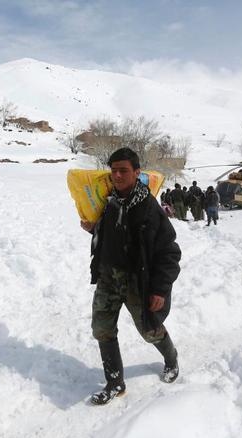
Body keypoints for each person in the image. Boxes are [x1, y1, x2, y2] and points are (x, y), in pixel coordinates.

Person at [80, 147, 182, 405]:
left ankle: (171, 358)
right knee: (102, 329)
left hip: (138, 282)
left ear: (137, 172)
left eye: (123, 170)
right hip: (108, 278)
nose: (117, 175)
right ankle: (115, 383)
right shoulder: (109, 201)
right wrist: (95, 229)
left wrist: (159, 289)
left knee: (150, 331)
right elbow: (112, 236)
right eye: (113, 170)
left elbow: (169, 251)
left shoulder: (148, 209)